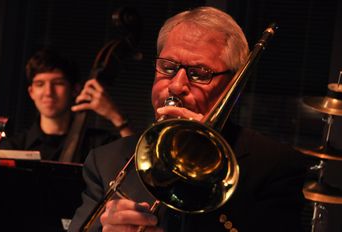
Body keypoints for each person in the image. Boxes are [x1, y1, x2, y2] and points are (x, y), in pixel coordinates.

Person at [69, 6, 310, 232]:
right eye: (168, 67)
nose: (175, 86)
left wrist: (200, 157)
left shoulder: (275, 165)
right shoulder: (105, 160)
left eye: (198, 74)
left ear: (234, 85)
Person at [0, 48, 133, 162]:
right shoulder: (12, 148)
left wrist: (116, 117)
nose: (48, 92)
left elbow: (136, 163)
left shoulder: (99, 145)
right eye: (40, 84)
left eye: (58, 83)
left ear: (75, 89)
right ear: (31, 92)